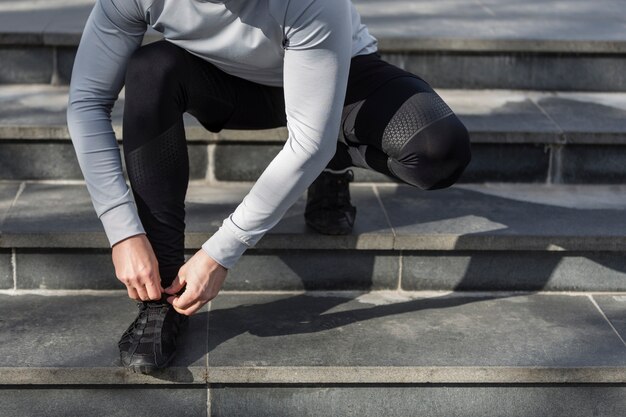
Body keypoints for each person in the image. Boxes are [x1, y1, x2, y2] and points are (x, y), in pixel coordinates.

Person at [67, 0, 471, 374]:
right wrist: (123, 231)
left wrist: (221, 251)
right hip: (230, 83)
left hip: (338, 73)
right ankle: (162, 296)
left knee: (439, 151)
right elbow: (87, 101)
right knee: (151, 68)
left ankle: (334, 159)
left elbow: (310, 141)